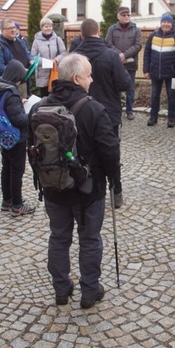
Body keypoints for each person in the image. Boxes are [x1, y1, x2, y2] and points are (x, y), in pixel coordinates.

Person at [29, 53, 121, 309]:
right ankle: (90, 291)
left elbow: (32, 148)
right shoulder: (93, 109)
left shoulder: (40, 107)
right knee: (90, 239)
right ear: (78, 78)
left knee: (59, 237)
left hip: (53, 187)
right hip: (88, 190)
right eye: (89, 75)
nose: (92, 80)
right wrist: (114, 181)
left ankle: (61, 289)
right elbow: (110, 151)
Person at [74, 18, 131, 208]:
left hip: (80, 112)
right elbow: (124, 84)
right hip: (108, 114)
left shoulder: (74, 57)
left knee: (82, 151)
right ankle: (116, 191)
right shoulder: (111, 56)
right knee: (111, 153)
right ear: (98, 32)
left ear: (81, 35)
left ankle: (84, 188)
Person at [0, 60, 36, 216]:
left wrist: (18, 103)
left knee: (6, 168)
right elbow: (19, 120)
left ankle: (6, 201)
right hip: (16, 137)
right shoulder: (11, 92)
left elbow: (5, 106)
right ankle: (17, 204)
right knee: (16, 171)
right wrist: (30, 114)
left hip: (3, 135)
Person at [143, 13, 175, 128]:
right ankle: (153, 117)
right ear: (161, 23)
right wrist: (146, 70)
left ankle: (171, 119)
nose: (166, 24)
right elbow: (147, 53)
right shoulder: (153, 35)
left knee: (171, 96)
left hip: (172, 73)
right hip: (155, 71)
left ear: (172, 24)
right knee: (154, 95)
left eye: (168, 22)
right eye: (164, 22)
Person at [105, 6, 143, 120]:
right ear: (118, 16)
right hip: (116, 64)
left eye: (128, 15)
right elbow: (108, 43)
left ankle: (129, 110)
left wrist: (125, 55)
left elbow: (138, 45)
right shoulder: (112, 29)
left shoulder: (136, 29)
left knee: (130, 88)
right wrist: (119, 55)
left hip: (130, 64)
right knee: (114, 87)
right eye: (124, 15)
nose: (126, 17)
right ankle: (116, 109)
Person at [0, 18, 34, 87]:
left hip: (24, 82)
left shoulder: (20, 41)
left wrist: (31, 60)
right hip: (8, 86)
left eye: (14, 27)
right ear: (2, 30)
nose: (13, 30)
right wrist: (19, 70)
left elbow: (27, 53)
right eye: (9, 28)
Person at [31, 17, 67, 97]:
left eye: (50, 26)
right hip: (42, 73)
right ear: (41, 28)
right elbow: (33, 57)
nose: (48, 28)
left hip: (55, 71)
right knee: (44, 96)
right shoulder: (36, 41)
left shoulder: (58, 39)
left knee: (56, 94)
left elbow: (63, 53)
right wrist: (45, 61)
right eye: (46, 26)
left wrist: (55, 60)